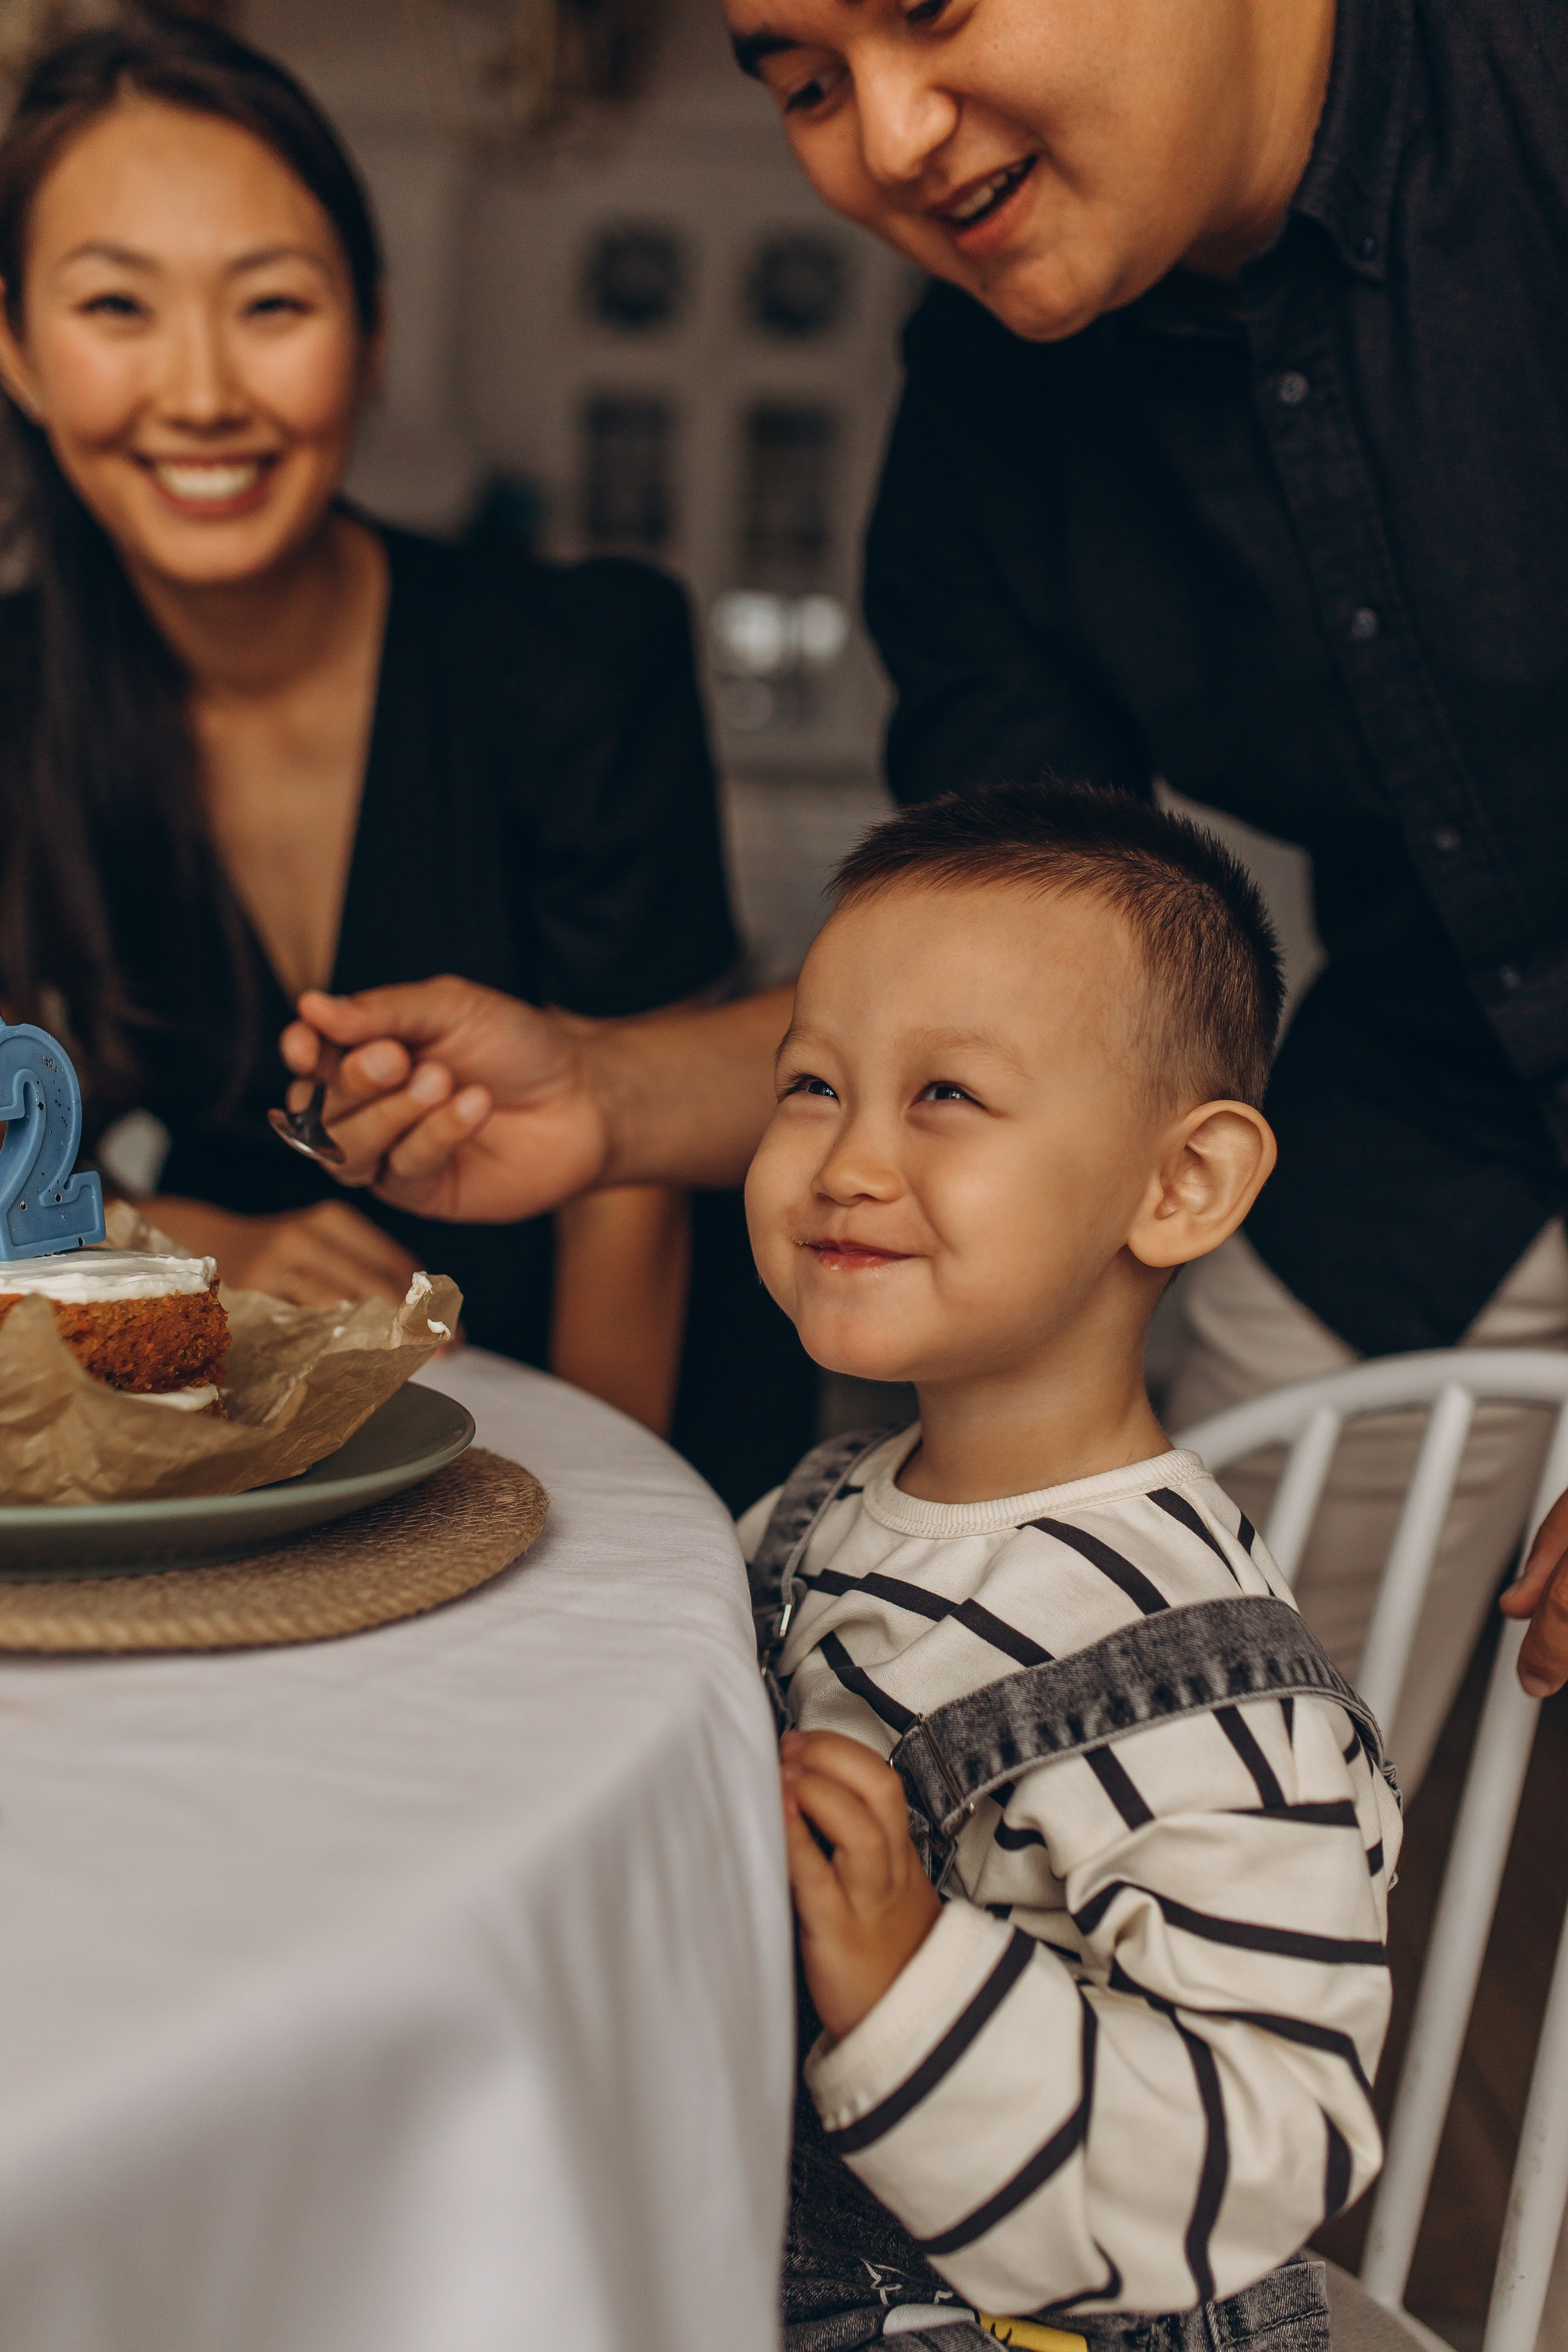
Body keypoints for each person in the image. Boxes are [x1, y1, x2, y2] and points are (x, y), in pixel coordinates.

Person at [279, 0, 1568, 1741]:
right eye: (807, 83)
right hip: (1425, 1113)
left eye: (935, 12)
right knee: (1243, 1751)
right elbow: (996, 991)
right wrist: (600, 1089)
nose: (885, 140)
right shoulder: (987, 397)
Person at [0, 17, 785, 1458]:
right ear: (20, 352)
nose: (201, 393)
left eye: (270, 306)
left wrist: (596, 1544)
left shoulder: (576, 658)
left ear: (369, 333)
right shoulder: (18, 696)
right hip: (221, 1441)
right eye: (118, 307)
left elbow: (634, 1186)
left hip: (603, 1414)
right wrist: (193, 1234)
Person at [748, 781, 1400, 2347]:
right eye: (811, 1087)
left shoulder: (1188, 1682)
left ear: (1177, 1186)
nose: (845, 1160)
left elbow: (1271, 2137)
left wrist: (911, 1974)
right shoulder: (820, 1503)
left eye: (946, 1097)